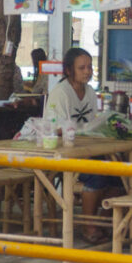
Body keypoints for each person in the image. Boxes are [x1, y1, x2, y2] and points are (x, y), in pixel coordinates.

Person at [44, 46, 116, 214]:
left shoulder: (90, 92)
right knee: (96, 175)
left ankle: (104, 221)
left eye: (90, 67)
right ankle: (89, 225)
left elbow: (92, 124)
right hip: (64, 153)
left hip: (86, 149)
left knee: (119, 176)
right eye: (82, 68)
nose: (87, 72)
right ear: (69, 70)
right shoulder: (61, 93)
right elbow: (56, 128)